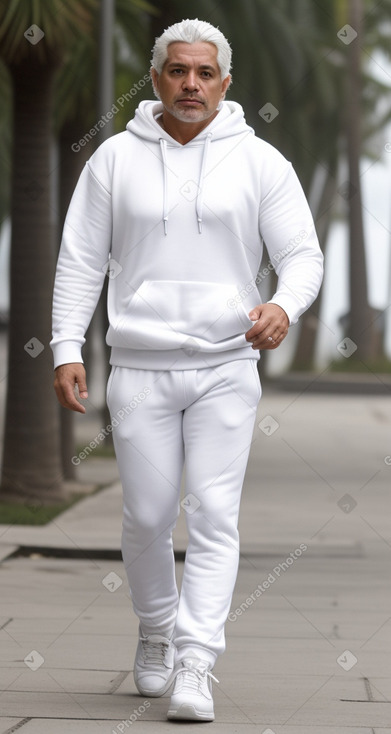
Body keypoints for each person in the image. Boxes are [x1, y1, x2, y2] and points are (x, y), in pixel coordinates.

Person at [51, 18, 323, 722]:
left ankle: (196, 661)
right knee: (144, 517)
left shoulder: (259, 162)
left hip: (225, 367)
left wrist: (282, 307)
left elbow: (302, 255)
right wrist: (66, 347)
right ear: (157, 78)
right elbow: (80, 258)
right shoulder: (114, 158)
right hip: (139, 368)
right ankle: (155, 627)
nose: (191, 84)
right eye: (178, 71)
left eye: (205, 73)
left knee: (211, 515)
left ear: (225, 83)